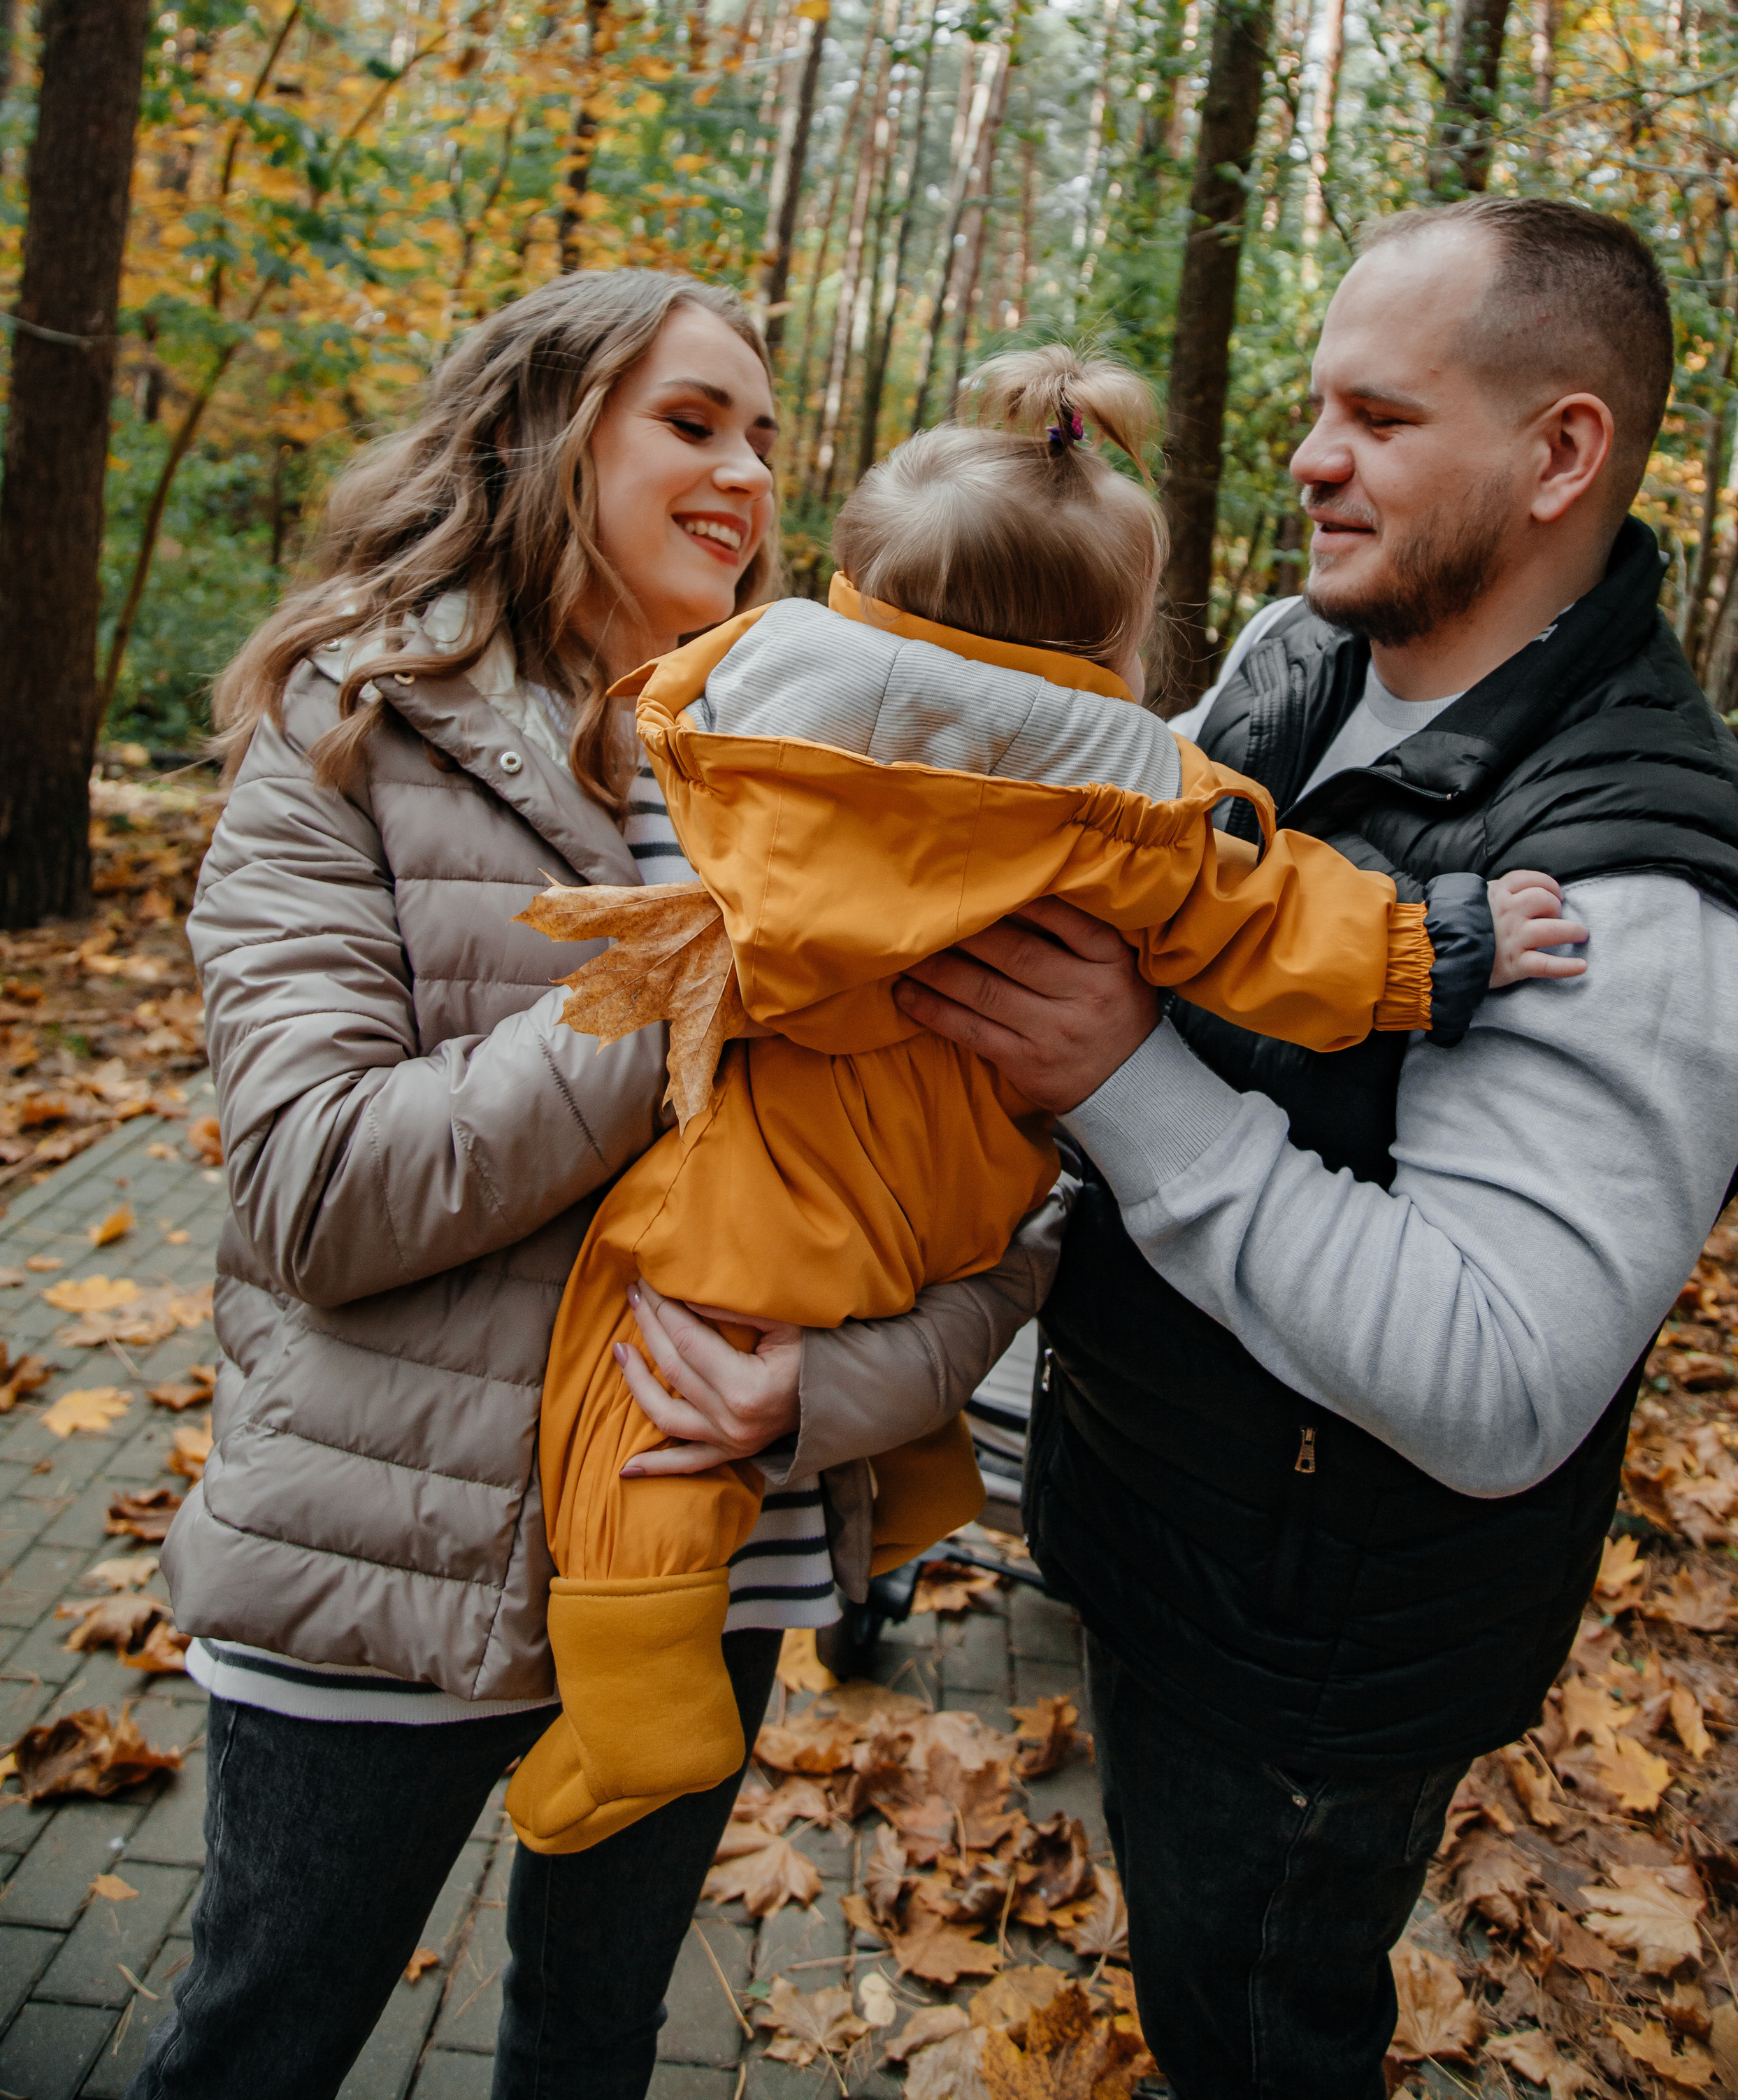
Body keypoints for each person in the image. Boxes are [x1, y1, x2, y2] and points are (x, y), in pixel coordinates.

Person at [888, 198, 1738, 2098]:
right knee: (1181, 1968)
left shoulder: (1645, 892)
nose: (1311, 459)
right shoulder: (1304, 655)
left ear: (1562, 454)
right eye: (1319, 407)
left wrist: (1122, 1078)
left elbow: (1495, 1387)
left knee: (1256, 2028)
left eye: (1377, 417)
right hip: (1151, 1535)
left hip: (1316, 1663)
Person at [136, 270, 1056, 2100]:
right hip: (387, 1569)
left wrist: (829, 1396)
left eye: (767, 438)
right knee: (260, 2044)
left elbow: (996, 1191)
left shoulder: (835, 753)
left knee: (590, 2050)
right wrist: (701, 970)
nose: (747, 476)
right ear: (546, 431)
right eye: (694, 421)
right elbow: (315, 1194)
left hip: (718, 1561)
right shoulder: (357, 727)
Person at [508, 343, 1573, 1855]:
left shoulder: (755, 725)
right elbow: (1267, 921)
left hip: (783, 1161)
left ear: (857, 590)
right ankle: (898, 1490)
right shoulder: (1119, 802)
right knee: (791, 1320)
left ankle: (637, 1680)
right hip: (981, 1172)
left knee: (632, 1347)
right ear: (1116, 640)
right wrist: (1435, 945)